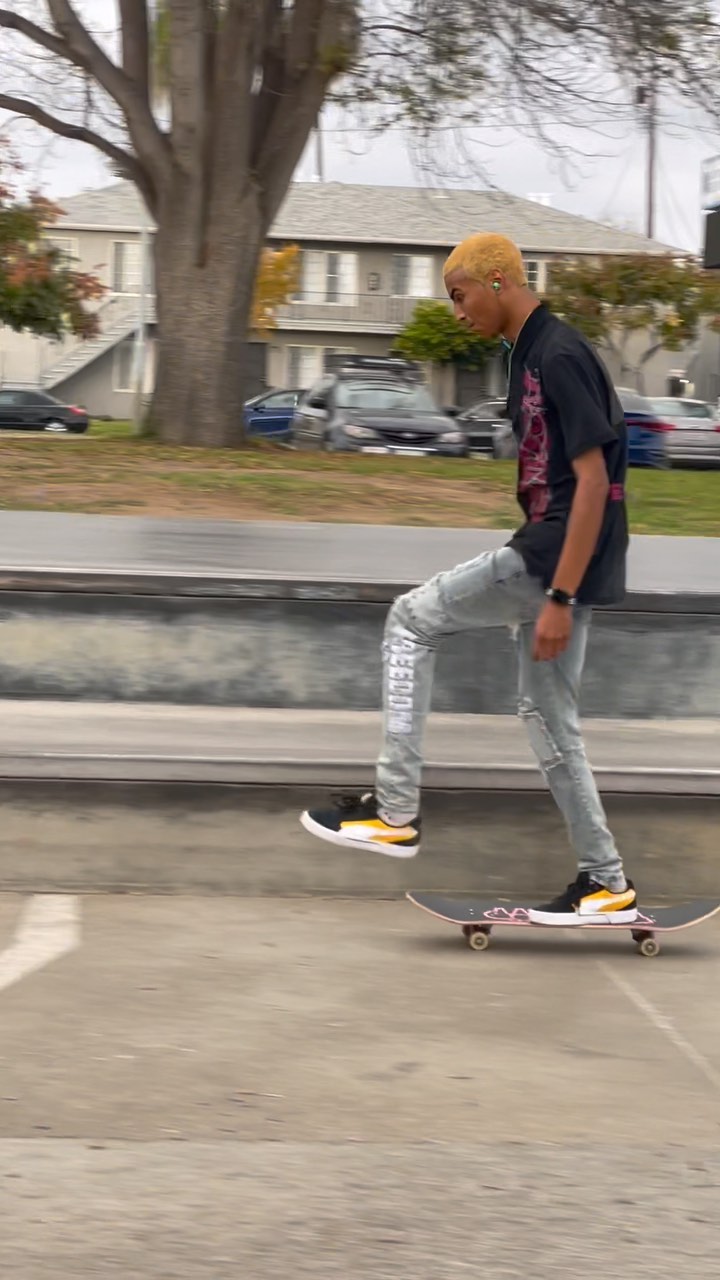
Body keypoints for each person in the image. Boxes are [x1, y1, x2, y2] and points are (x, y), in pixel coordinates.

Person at [300, 232, 637, 926]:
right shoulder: (530, 356)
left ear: (498, 280)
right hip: (563, 561)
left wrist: (560, 596)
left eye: (460, 296)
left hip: (551, 559)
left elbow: (594, 481)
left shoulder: (558, 355)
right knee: (549, 721)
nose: (457, 312)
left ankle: (395, 811)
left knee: (411, 619)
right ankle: (605, 883)